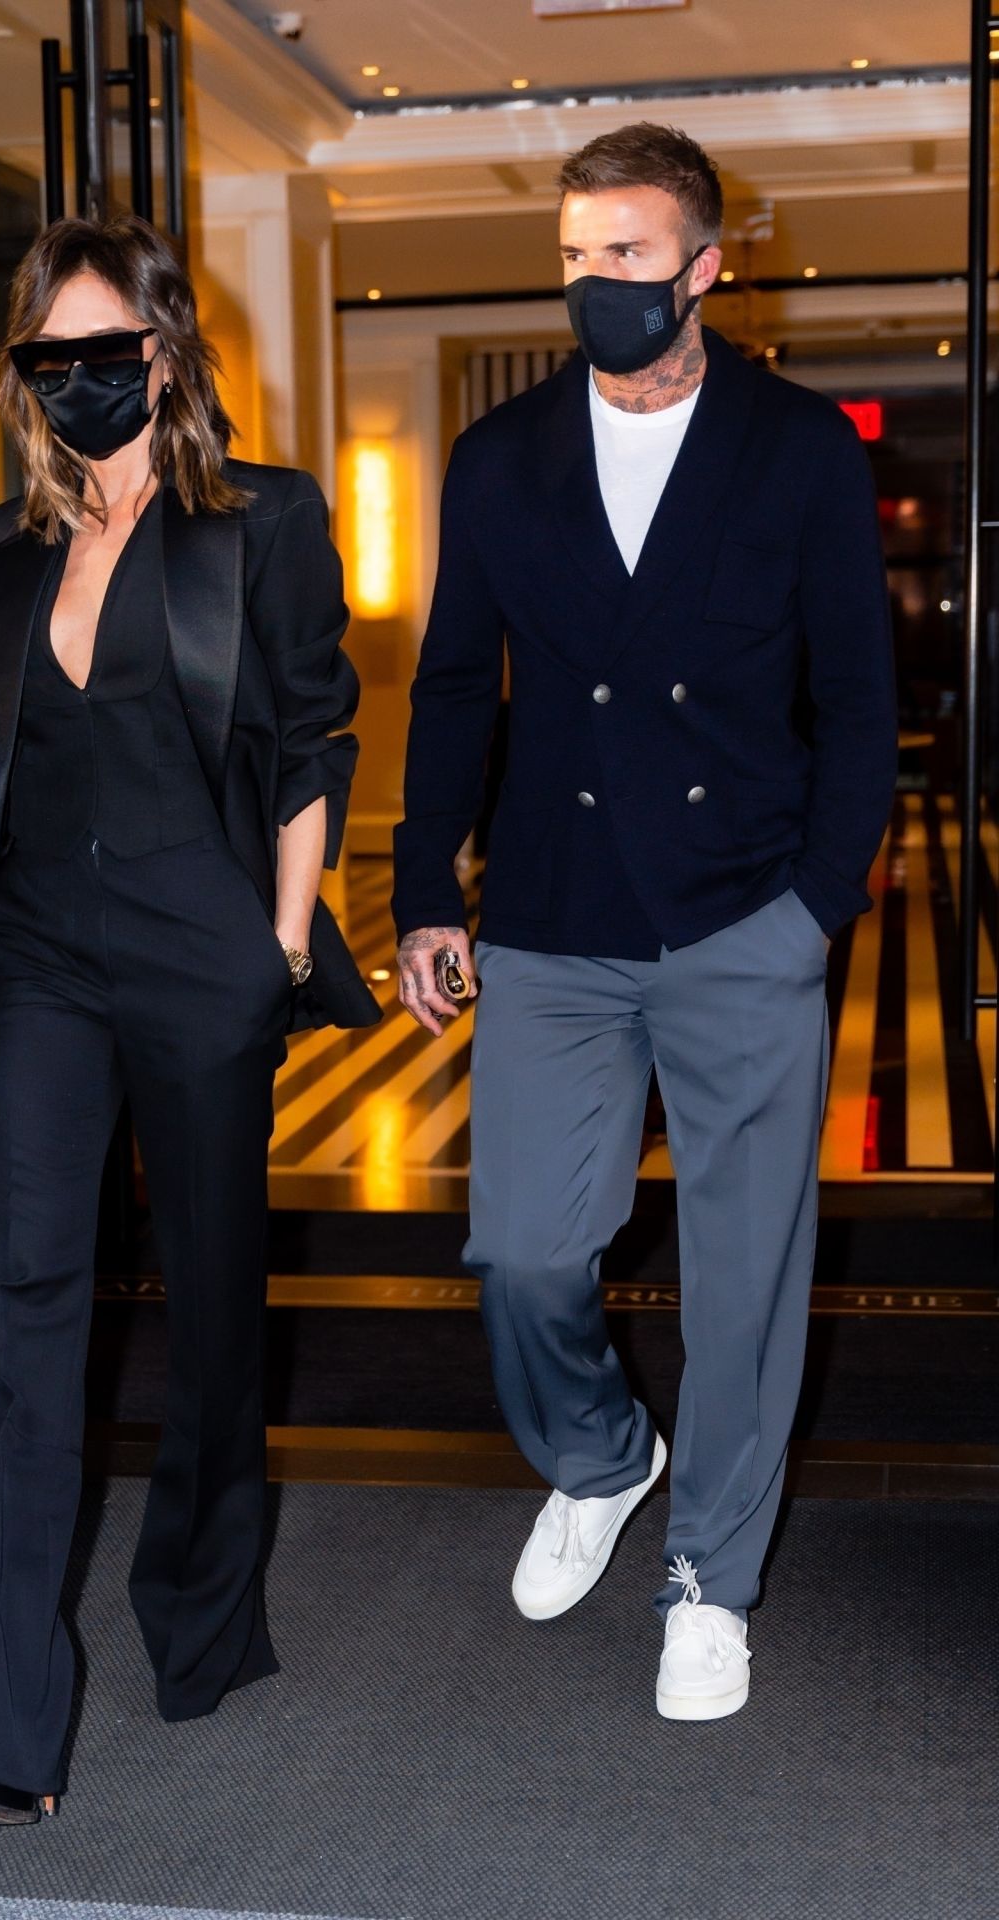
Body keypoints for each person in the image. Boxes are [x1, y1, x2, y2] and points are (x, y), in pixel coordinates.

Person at [393, 123, 896, 1721]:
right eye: (573, 255)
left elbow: (857, 704)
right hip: (554, 916)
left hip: (745, 913)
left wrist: (815, 906)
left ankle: (709, 1581)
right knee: (526, 1254)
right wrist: (425, 889)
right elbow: (456, 686)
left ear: (703, 268)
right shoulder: (502, 457)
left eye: (625, 253)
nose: (593, 280)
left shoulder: (799, 450)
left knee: (747, 1282)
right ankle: (605, 1455)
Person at [0, 212, 378, 1823]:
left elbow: (314, 739)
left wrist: (275, 941)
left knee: (214, 1305)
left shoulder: (262, 519)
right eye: (47, 358)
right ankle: (5, 1722)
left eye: (106, 352)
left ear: (165, 356)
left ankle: (201, 1613)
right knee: (29, 1307)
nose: (79, 381)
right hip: (42, 955)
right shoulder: (10, 545)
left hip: (202, 950)